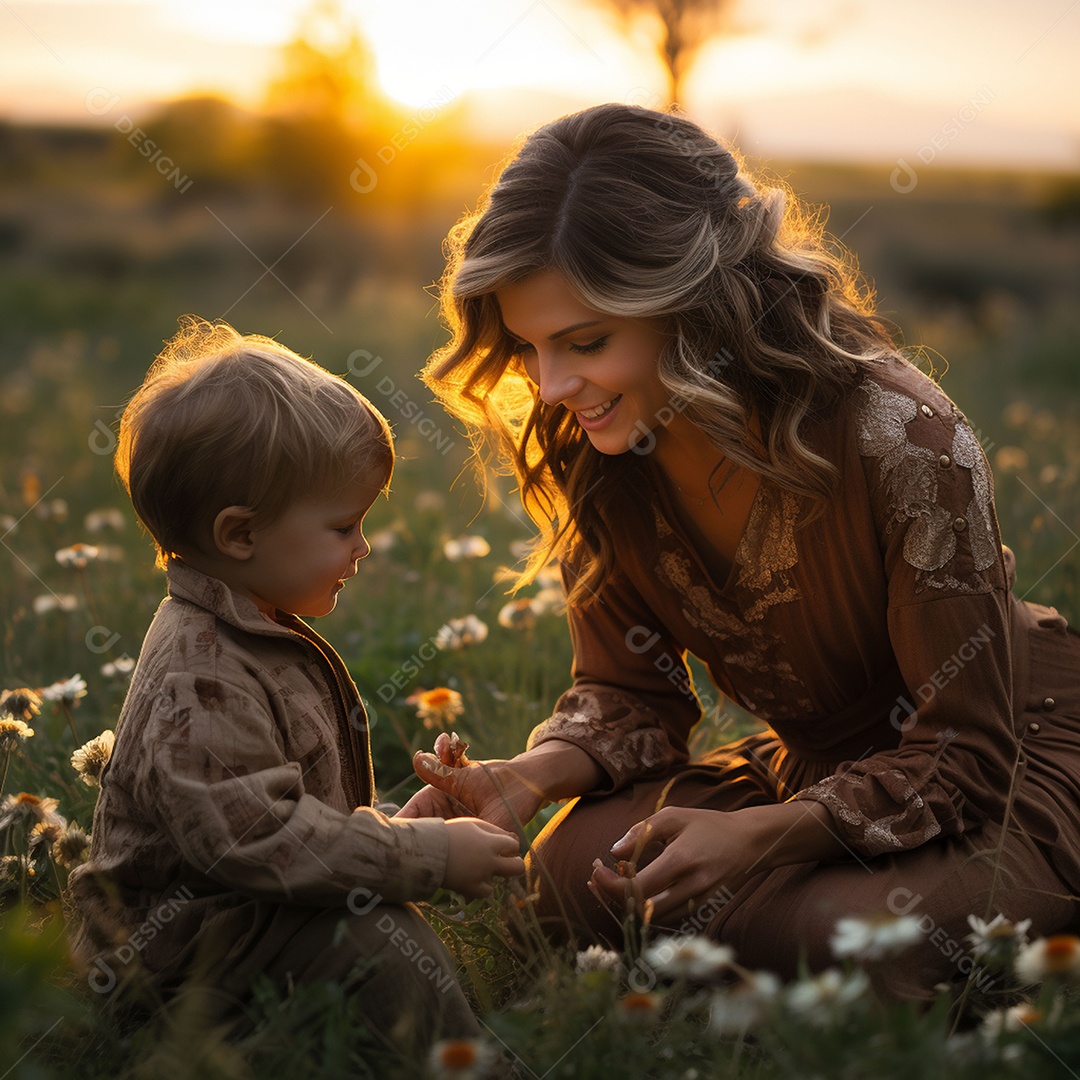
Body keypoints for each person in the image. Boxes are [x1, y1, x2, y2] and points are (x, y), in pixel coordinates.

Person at [399, 103, 1080, 999]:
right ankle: (785, 935)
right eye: (530, 349)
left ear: (694, 302)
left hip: (1003, 764)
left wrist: (758, 837)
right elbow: (632, 693)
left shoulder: (902, 436)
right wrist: (526, 778)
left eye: (586, 342)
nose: (554, 387)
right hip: (810, 771)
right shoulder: (598, 445)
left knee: (859, 939)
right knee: (569, 875)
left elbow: (964, 753)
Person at [67, 317, 525, 1057]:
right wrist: (423, 856)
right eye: (344, 525)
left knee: (375, 930)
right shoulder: (202, 673)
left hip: (242, 924)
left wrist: (397, 823)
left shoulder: (249, 622)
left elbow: (282, 811)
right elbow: (259, 841)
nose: (364, 545)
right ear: (240, 535)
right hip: (178, 971)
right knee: (376, 940)